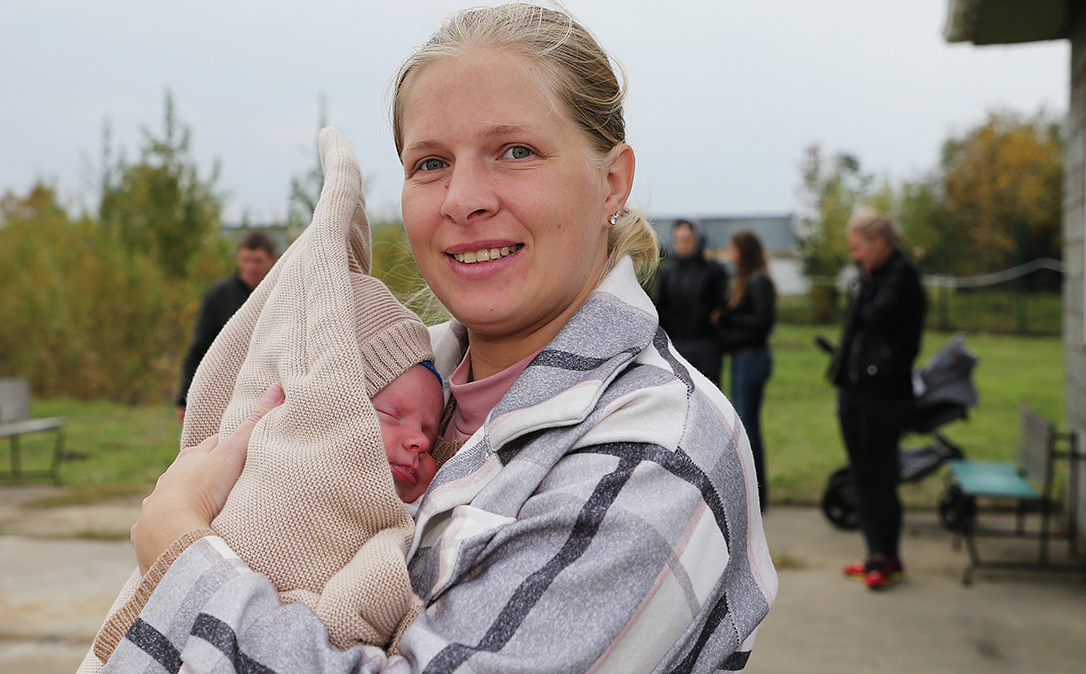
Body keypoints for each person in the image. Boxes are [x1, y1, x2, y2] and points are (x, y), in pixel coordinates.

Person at [98, 4, 776, 672]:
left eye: (515, 151)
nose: (462, 198)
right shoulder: (378, 386)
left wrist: (181, 554)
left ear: (610, 183)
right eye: (429, 163)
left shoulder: (659, 448)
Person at [82, 130, 449, 671]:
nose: (419, 438)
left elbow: (357, 613)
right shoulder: (222, 302)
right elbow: (212, 352)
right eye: (390, 414)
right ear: (336, 402)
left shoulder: (397, 527)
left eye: (431, 428)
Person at [828, 211, 926, 591]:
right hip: (856, 393)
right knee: (862, 477)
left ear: (880, 243)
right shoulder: (871, 278)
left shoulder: (900, 278)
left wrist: (864, 287)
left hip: (883, 396)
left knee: (880, 478)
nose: (855, 257)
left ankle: (887, 558)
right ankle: (875, 554)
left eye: (858, 248)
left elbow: (880, 317)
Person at [176, 229, 277, 421]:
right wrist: (185, 397)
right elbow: (200, 349)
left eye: (257, 261)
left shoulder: (281, 292)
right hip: (227, 388)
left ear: (272, 259)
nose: (251, 267)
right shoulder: (218, 296)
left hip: (270, 385)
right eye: (246, 260)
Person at [714, 230, 776, 512]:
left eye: (733, 249)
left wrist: (727, 325)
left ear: (745, 251)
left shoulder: (757, 282)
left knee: (748, 426)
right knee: (747, 423)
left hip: (751, 358)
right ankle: (755, 494)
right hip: (745, 357)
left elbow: (760, 323)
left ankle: (757, 496)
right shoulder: (747, 281)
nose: (730, 254)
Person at [656, 218, 729, 387]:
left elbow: (722, 306)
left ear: (698, 240)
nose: (682, 245)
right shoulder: (668, 272)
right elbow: (662, 307)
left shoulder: (713, 271)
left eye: (687, 240)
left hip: (706, 346)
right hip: (676, 345)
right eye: (678, 240)